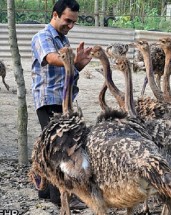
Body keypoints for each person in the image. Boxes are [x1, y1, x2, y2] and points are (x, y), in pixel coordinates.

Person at [31, 0, 91, 209]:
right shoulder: (43, 37)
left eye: (74, 22)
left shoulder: (61, 40)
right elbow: (50, 58)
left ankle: (47, 191)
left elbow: (65, 70)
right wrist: (71, 60)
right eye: (67, 20)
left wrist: (78, 66)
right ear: (55, 15)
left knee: (54, 146)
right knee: (61, 148)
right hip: (49, 100)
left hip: (62, 100)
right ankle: (61, 197)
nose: (71, 25)